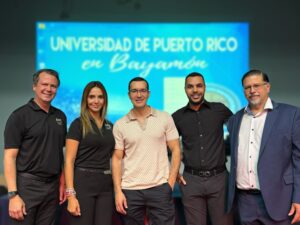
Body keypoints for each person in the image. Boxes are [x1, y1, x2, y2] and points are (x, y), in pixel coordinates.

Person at [227, 69, 300, 224]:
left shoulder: (291, 115)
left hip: (280, 200)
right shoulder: (235, 119)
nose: (252, 90)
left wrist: (298, 198)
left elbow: (298, 161)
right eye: (247, 87)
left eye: (256, 85)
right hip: (244, 201)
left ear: (267, 87)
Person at [112, 77, 181, 225]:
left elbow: (176, 149)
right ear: (129, 94)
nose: (139, 95)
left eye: (142, 90)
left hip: (160, 187)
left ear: (148, 93)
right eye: (134, 91)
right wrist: (118, 191)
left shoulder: (164, 117)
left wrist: (170, 183)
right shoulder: (120, 124)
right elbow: (117, 159)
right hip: (130, 190)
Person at [3, 69, 66, 225]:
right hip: (27, 187)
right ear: (34, 86)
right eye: (44, 84)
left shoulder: (60, 117)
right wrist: (13, 195)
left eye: (53, 86)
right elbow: (9, 157)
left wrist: (62, 183)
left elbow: (59, 152)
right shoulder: (19, 116)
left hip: (52, 188)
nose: (48, 89)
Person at [172, 72, 233, 225]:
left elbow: (241, 133)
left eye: (199, 86)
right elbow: (167, 147)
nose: (195, 90)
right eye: (190, 87)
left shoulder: (219, 110)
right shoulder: (177, 117)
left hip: (219, 179)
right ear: (185, 89)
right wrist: (174, 171)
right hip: (191, 181)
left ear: (204, 88)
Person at [64, 81, 114, 225]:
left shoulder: (110, 125)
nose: (96, 101)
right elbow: (68, 161)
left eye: (100, 97)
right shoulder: (77, 124)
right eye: (91, 97)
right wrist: (71, 196)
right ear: (85, 99)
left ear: (105, 100)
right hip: (83, 184)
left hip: (105, 185)